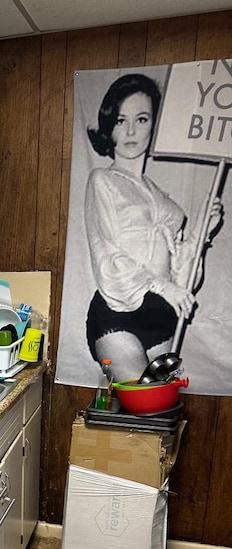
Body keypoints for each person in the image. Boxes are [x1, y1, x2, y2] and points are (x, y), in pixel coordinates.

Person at [84, 72, 222, 381]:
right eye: (121, 121)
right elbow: (106, 255)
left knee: (158, 413)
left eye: (142, 119)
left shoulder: (164, 199)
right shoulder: (102, 181)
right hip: (117, 312)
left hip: (162, 319)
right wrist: (163, 287)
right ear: (110, 127)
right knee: (144, 402)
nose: (132, 130)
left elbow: (183, 282)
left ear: (154, 126)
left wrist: (202, 231)